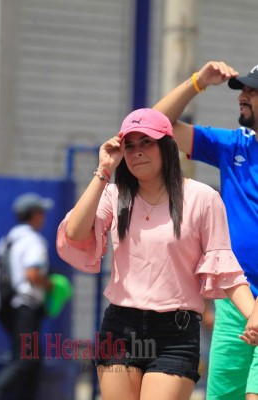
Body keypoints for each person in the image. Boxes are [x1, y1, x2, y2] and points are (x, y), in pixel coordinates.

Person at [56, 107, 256, 400]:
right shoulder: (114, 195)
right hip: (120, 327)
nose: (137, 152)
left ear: (166, 145)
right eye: (130, 145)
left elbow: (224, 266)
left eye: (146, 142)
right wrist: (103, 171)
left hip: (176, 332)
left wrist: (253, 316)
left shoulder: (202, 198)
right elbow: (74, 233)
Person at [153, 61, 258, 400]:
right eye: (243, 88)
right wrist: (197, 82)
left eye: (252, 91)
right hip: (235, 299)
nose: (243, 95)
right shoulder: (234, 145)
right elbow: (154, 125)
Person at [0, 192, 54, 400]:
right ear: (34, 214)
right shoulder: (33, 240)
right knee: (26, 359)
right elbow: (32, 274)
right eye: (41, 212)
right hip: (25, 307)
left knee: (32, 360)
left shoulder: (9, 239)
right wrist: (50, 284)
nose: (43, 216)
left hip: (9, 308)